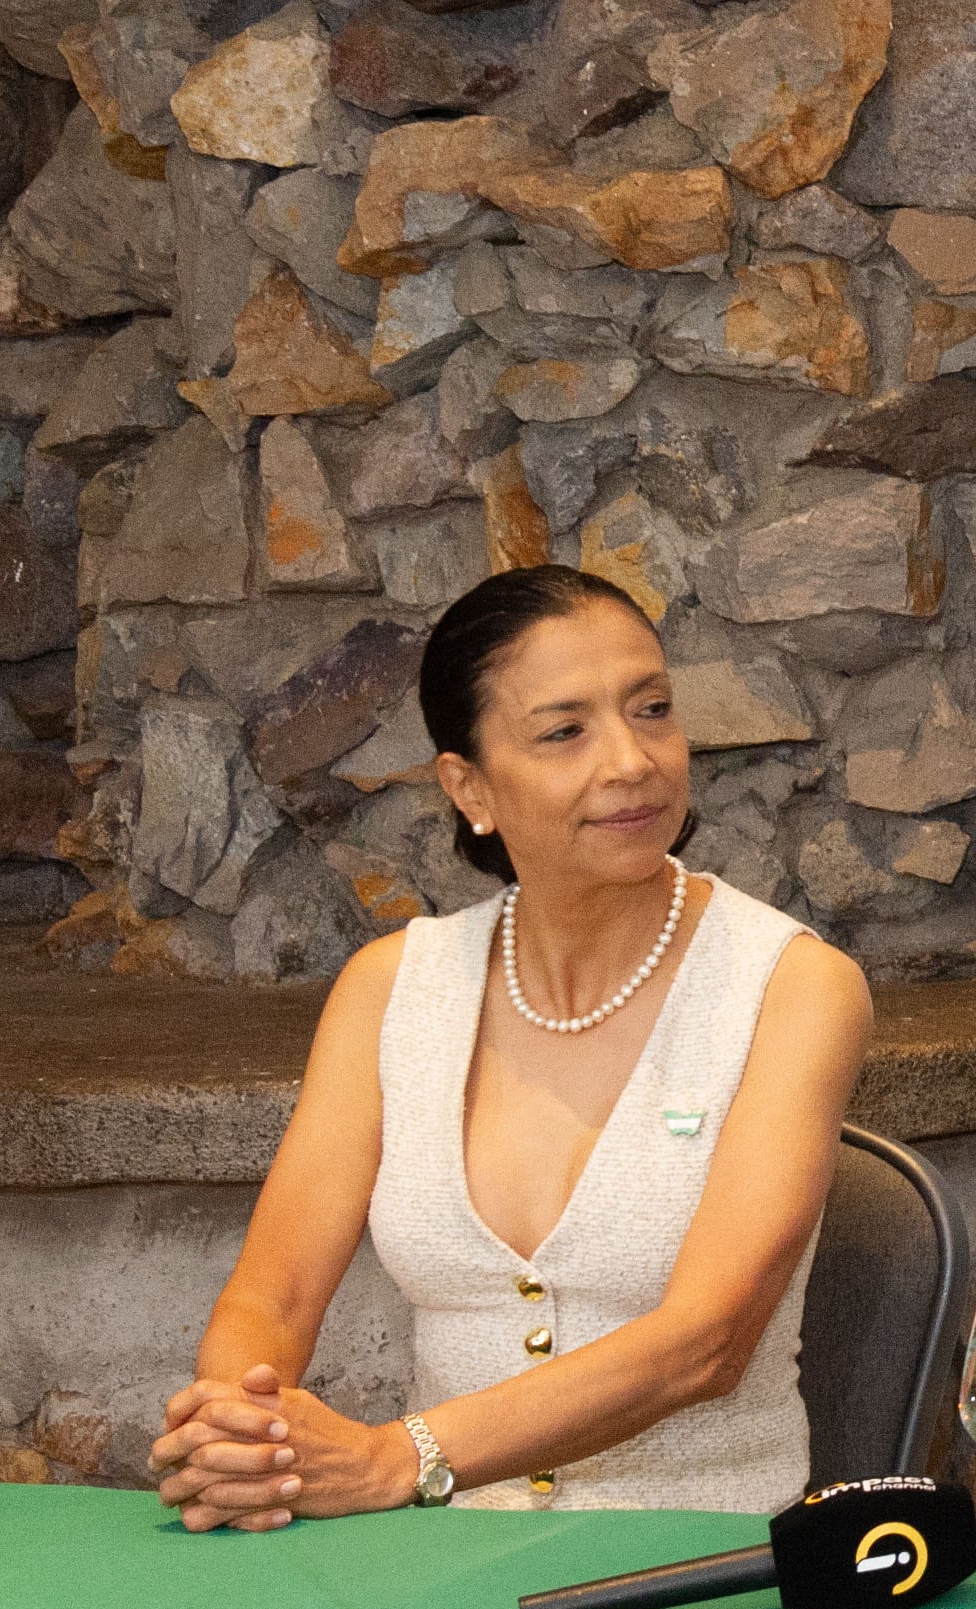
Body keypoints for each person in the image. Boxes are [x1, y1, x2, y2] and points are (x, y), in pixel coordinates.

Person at [148, 566, 871, 1527]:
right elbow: (272, 1295)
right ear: (470, 786)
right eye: (566, 731)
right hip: (441, 1569)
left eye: (651, 710)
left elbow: (709, 1340)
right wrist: (246, 1431)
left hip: (701, 1576)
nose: (631, 760)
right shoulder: (390, 990)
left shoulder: (793, 986)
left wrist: (395, 1458)